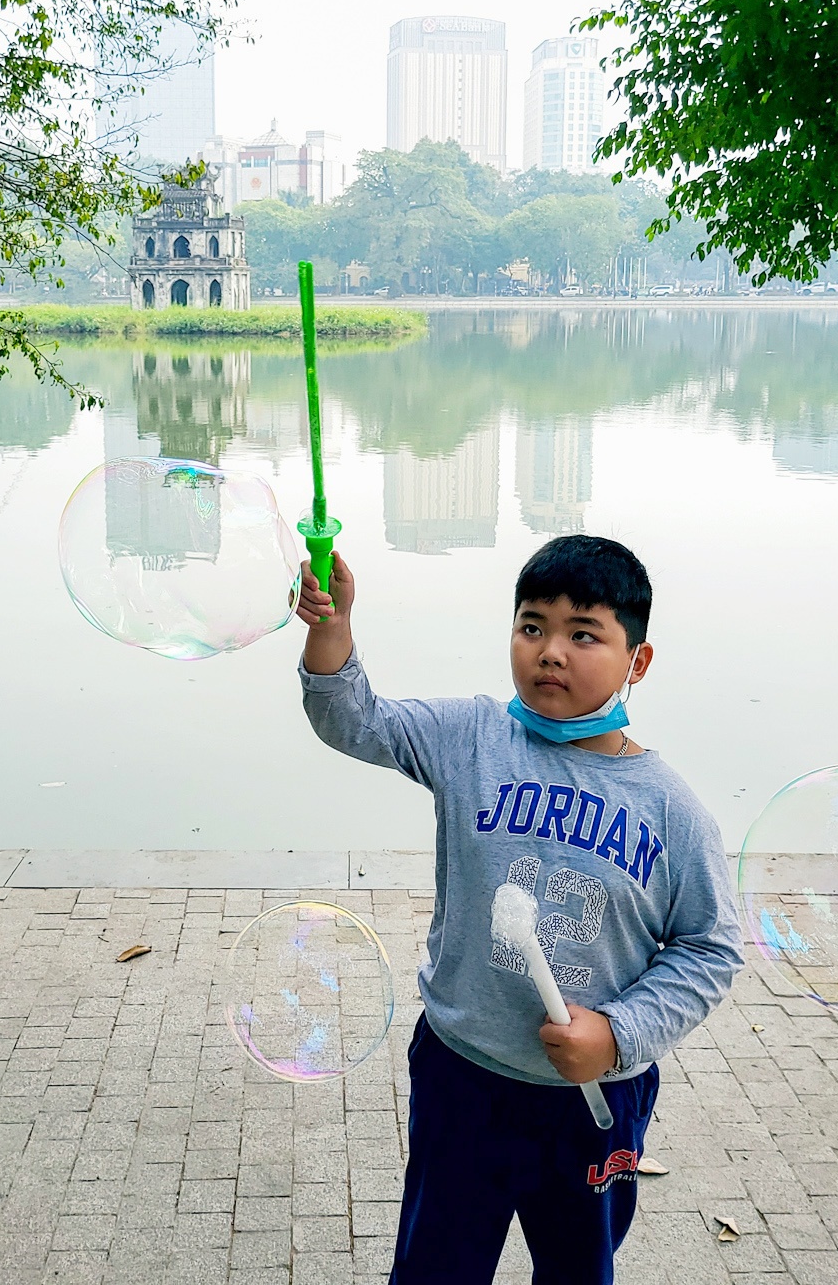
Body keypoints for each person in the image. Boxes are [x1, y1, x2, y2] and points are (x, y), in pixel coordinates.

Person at [297, 534, 742, 1285]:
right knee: (437, 1265)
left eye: (583, 633)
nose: (550, 652)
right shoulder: (470, 737)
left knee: (576, 1270)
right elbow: (355, 721)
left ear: (638, 662)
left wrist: (619, 1032)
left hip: (593, 1098)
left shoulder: (673, 811)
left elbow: (710, 947)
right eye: (531, 626)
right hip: (462, 1073)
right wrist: (331, 631)